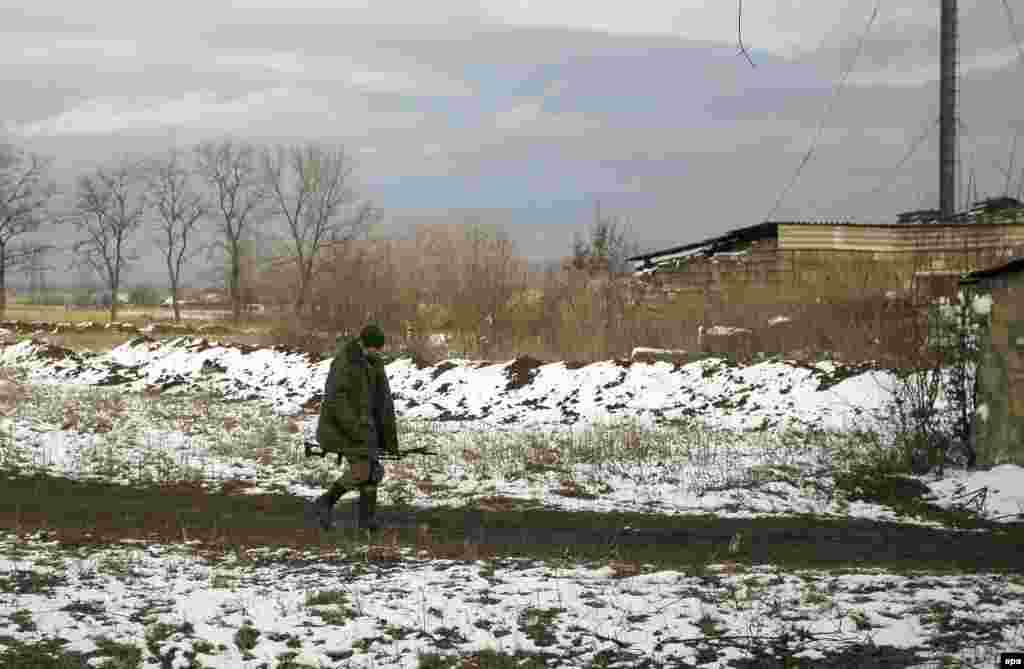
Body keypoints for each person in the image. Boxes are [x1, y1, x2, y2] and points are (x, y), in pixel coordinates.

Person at [311, 323, 399, 531]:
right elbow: (337, 401)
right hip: (340, 428)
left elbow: (382, 401)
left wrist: (385, 435)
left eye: (379, 349)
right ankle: (325, 502)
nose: (377, 353)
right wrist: (356, 428)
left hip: (364, 428)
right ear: (363, 344)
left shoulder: (374, 361)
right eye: (373, 348)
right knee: (363, 470)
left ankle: (366, 522)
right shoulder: (344, 362)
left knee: (374, 472)